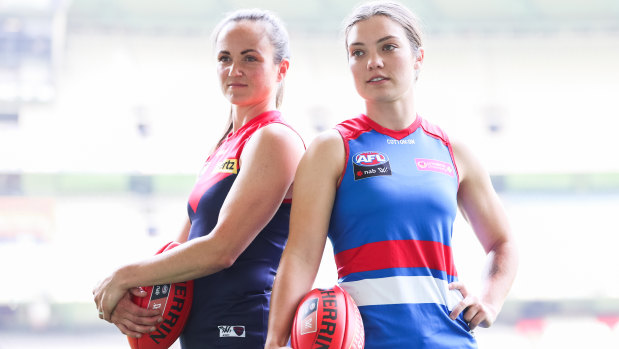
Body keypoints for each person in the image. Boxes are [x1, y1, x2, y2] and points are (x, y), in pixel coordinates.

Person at [264, 1, 518, 348]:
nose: (373, 62)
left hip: (452, 340)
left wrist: (490, 300)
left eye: (388, 47)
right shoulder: (332, 149)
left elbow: (502, 243)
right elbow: (301, 256)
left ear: (418, 58)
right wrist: (276, 341)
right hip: (372, 340)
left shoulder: (452, 150)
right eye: (358, 52)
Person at [93, 9, 305, 349]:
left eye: (249, 58)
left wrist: (123, 277)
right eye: (225, 58)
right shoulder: (225, 144)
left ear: (281, 69)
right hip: (202, 332)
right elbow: (180, 249)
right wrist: (131, 300)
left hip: (247, 331)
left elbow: (222, 250)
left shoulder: (275, 138)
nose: (234, 70)